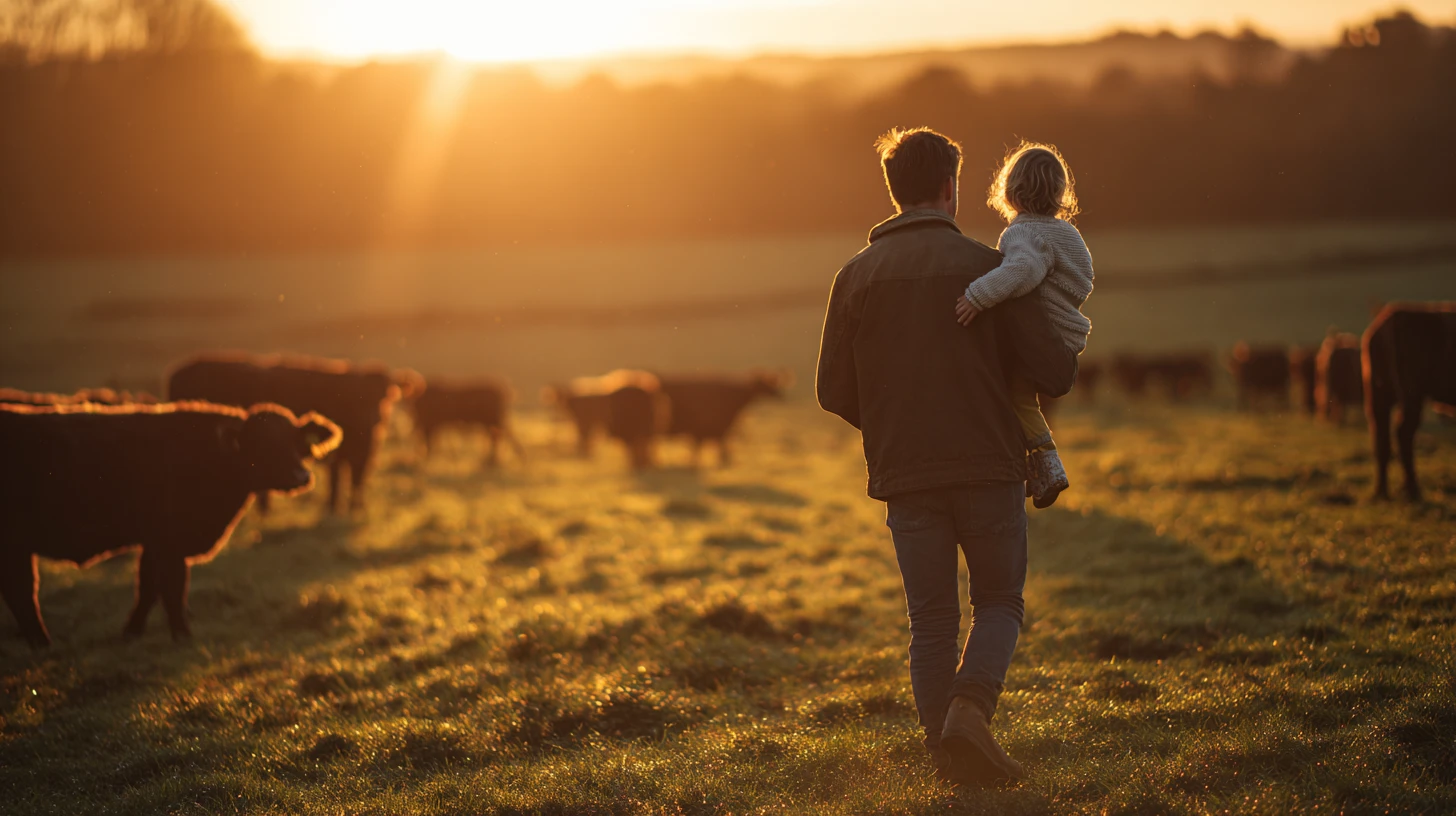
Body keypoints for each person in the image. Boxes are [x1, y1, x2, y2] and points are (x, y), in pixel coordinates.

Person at [816, 128, 1077, 785]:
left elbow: (831, 390)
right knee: (999, 603)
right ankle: (970, 713)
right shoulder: (989, 266)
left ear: (895, 190)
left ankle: (951, 767)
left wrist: (896, 428)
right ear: (950, 187)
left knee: (930, 624)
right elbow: (1054, 370)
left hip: (905, 475)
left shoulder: (854, 276)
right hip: (989, 467)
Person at [954, 142, 1094, 508]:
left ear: (1010, 191)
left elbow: (1023, 270)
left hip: (1040, 334)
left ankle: (1046, 461)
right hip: (1064, 336)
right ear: (1059, 193)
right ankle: (1032, 465)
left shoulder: (1023, 233)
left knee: (1015, 396)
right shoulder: (1069, 234)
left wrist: (977, 295)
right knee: (1020, 397)